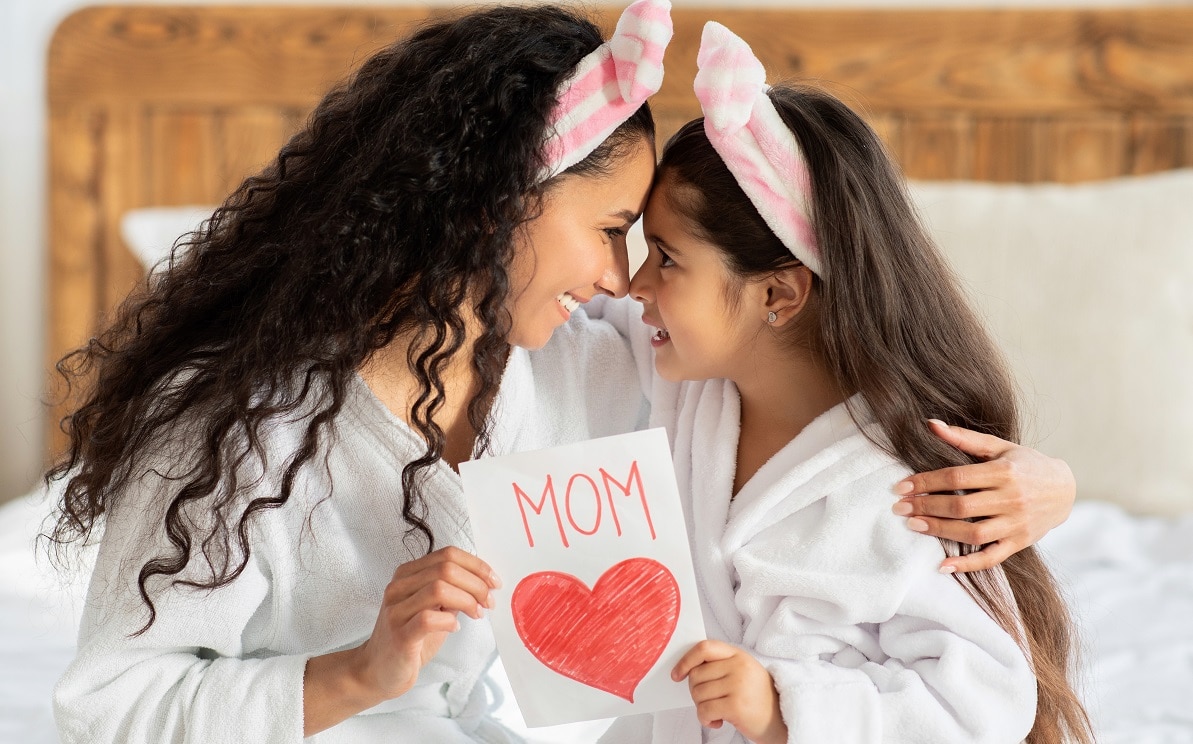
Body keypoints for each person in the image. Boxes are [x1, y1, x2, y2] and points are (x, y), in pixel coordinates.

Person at [45, 3, 1074, 742]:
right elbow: (106, 709)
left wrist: (1042, 484)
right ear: (497, 205)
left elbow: (785, 375)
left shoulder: (589, 369)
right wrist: (355, 675)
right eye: (613, 231)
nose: (623, 281)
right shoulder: (232, 426)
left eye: (650, 252)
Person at [597, 23, 1092, 744]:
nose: (631, 283)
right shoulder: (675, 380)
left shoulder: (908, 488)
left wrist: (782, 709)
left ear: (778, 295)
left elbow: (978, 704)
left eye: (666, 259)